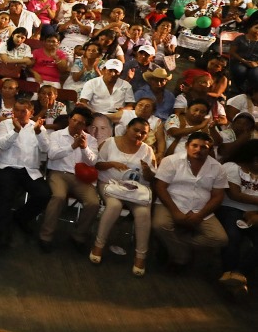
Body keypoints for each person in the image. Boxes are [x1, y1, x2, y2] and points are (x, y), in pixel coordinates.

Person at [91, 116, 157, 275]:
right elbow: (97, 164)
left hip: (135, 189)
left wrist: (147, 171)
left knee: (143, 213)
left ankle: (140, 256)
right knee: (114, 206)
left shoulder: (147, 150)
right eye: (136, 130)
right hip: (110, 184)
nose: (139, 135)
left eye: (143, 133)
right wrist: (113, 164)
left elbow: (151, 178)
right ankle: (98, 246)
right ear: (128, 128)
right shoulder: (110, 143)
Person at [152, 131, 227, 271]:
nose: (199, 150)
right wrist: (175, 212)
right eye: (195, 146)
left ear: (209, 149)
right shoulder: (171, 161)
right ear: (187, 146)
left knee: (220, 239)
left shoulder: (218, 168)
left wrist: (200, 215)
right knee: (160, 225)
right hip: (171, 203)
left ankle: (173, 245)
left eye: (203, 147)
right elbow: (160, 187)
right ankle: (182, 256)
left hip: (201, 208)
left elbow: (218, 196)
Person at [0, 97, 52, 250]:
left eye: (24, 111)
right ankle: (2, 233)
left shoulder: (38, 127)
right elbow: (2, 145)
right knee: (6, 195)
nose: (19, 113)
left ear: (31, 112)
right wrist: (16, 131)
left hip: (29, 170)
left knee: (44, 194)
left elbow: (45, 149)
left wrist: (39, 133)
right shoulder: (5, 124)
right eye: (16, 110)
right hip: (6, 167)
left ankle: (20, 217)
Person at [37, 105, 100, 251]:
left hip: (81, 178)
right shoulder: (56, 135)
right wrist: (72, 146)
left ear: (86, 125)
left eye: (81, 122)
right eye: (74, 120)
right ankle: (46, 235)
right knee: (58, 196)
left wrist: (84, 147)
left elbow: (93, 162)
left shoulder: (90, 140)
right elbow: (51, 155)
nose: (76, 124)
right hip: (59, 173)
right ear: (70, 119)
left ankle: (79, 235)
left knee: (93, 203)